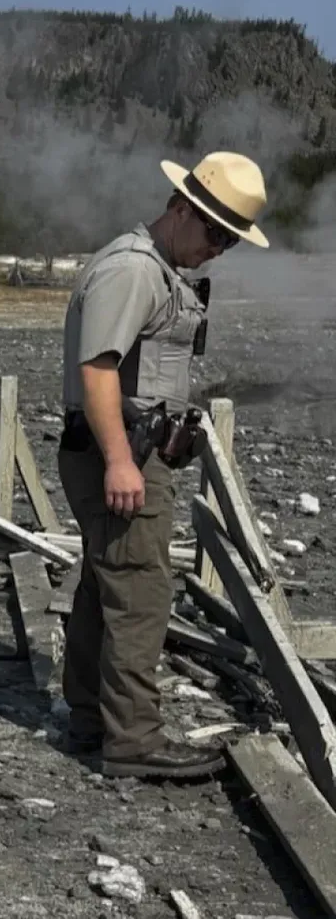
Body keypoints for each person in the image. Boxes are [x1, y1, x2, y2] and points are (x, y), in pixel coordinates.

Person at [57, 151, 269, 780]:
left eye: (230, 240)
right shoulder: (134, 270)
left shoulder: (156, 268)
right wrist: (122, 460)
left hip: (125, 447)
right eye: (214, 232)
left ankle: (92, 720)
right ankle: (134, 741)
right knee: (142, 590)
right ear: (181, 208)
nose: (219, 248)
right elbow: (97, 369)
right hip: (118, 452)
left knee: (107, 584)